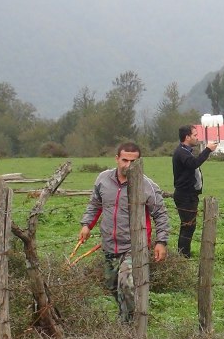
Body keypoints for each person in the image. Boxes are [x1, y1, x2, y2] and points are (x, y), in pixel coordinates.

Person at [78, 142, 170, 324]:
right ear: (117, 159)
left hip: (134, 247)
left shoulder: (147, 186)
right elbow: (95, 204)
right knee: (113, 286)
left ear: (139, 162)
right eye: (124, 160)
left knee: (127, 285)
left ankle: (130, 326)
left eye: (132, 161)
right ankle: (126, 317)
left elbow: (160, 214)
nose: (128, 165)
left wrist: (161, 241)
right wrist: (86, 224)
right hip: (109, 245)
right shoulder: (103, 179)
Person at [171, 124, 214, 257]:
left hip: (189, 195)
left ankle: (183, 254)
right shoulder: (182, 153)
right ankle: (183, 255)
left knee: (189, 225)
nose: (197, 138)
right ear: (187, 137)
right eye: (195, 135)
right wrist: (207, 150)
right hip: (185, 195)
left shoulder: (186, 151)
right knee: (188, 226)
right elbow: (193, 164)